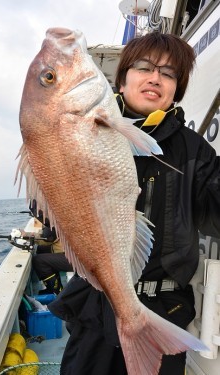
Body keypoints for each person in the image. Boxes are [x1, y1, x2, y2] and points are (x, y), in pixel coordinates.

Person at [48, 31, 220, 375]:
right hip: (94, 309)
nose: (155, 77)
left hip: (164, 310)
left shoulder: (195, 150)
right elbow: (50, 209)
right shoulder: (80, 127)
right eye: (144, 67)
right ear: (122, 79)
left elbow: (214, 217)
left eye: (169, 74)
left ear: (176, 90)